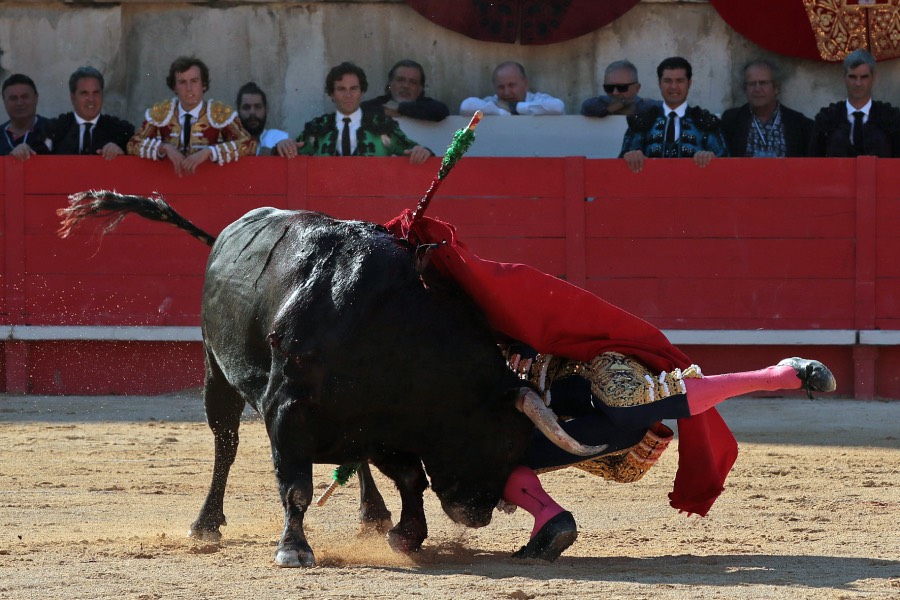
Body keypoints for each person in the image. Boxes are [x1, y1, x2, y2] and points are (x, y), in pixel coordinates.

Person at [384, 209, 836, 561]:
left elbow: (528, 309)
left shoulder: (463, 296)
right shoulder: (414, 340)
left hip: (583, 372)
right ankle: (549, 519)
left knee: (626, 402)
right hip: (557, 422)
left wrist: (520, 336)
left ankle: (778, 374)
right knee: (491, 462)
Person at [275, 62, 432, 165]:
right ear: (332, 94)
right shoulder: (318, 128)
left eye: (353, 89)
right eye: (341, 89)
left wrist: (423, 151)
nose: (348, 95)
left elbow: (414, 150)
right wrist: (282, 146)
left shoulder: (382, 126)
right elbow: (291, 151)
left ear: (361, 92)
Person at [127, 56, 256, 175]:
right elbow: (132, 145)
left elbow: (249, 145)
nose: (189, 88)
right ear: (174, 87)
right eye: (182, 82)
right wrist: (164, 148)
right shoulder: (161, 114)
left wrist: (209, 152)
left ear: (203, 85)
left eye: (194, 81)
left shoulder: (219, 115)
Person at [619, 56, 727, 173]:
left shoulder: (706, 121)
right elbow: (620, 166)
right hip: (651, 189)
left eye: (680, 81)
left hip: (694, 189)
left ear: (689, 83)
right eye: (667, 81)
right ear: (659, 83)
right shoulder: (642, 121)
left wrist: (711, 158)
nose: (673, 87)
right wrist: (631, 156)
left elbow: (725, 165)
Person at [808, 48, 900, 158]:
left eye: (864, 77)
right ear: (844, 77)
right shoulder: (827, 119)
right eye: (853, 77)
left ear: (874, 77)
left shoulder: (891, 118)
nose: (858, 83)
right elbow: (814, 161)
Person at [31, 67, 135, 161]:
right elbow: (33, 158)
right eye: (84, 93)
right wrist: (24, 150)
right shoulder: (53, 129)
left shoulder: (120, 131)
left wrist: (123, 153)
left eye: (96, 93)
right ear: (73, 97)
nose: (91, 99)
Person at [721, 59, 813, 157]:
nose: (757, 89)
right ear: (745, 89)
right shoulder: (731, 121)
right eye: (752, 84)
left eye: (763, 83)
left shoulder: (799, 124)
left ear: (776, 88)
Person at [460, 61, 565, 116]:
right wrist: (500, 112)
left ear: (525, 83)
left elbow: (558, 107)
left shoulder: (537, 100)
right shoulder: (493, 102)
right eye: (501, 87)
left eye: (512, 85)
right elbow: (466, 106)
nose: (506, 92)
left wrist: (514, 108)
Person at [360, 59, 449, 122]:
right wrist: (381, 112)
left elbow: (442, 111)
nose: (406, 86)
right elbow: (359, 110)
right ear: (390, 83)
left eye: (413, 82)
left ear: (420, 88)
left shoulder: (429, 106)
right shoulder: (379, 104)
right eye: (400, 80)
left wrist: (401, 108)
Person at [581, 60, 661, 118]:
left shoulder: (648, 107)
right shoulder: (597, 104)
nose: (615, 92)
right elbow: (588, 107)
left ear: (637, 88)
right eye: (609, 88)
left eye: (622, 87)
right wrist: (613, 108)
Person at [1, 74, 49, 159]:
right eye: (13, 98)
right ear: (4, 102)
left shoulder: (54, 130)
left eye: (25, 97)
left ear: (36, 98)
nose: (19, 103)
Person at [235, 81, 289, 156]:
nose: (252, 112)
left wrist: (280, 148)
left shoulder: (278, 138)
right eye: (246, 107)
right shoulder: (229, 144)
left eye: (258, 107)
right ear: (238, 111)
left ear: (266, 110)